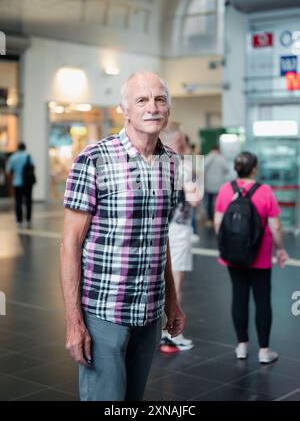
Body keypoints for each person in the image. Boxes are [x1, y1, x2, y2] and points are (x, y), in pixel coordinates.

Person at [60, 72, 186, 401]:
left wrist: (171, 300)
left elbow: (162, 237)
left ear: (168, 109)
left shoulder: (172, 163)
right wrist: (74, 321)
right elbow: (70, 244)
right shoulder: (93, 160)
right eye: (141, 100)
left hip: (149, 311)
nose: (152, 107)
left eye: (160, 99)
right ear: (124, 109)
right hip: (105, 310)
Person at [214, 151, 289, 364]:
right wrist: (280, 249)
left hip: (232, 255)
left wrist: (226, 247)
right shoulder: (265, 191)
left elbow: (218, 223)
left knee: (239, 297)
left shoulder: (225, 190)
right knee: (262, 300)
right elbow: (275, 227)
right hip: (260, 256)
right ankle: (264, 351)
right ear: (254, 169)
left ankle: (241, 346)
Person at [160, 125, 201, 351]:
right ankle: (172, 334)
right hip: (178, 229)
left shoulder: (156, 163)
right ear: (177, 141)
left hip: (160, 227)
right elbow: (194, 199)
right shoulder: (183, 165)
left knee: (161, 281)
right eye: (183, 139)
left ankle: (161, 332)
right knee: (176, 282)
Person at [6, 142, 35, 228]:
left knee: (18, 202)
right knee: (28, 201)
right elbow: (33, 168)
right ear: (25, 148)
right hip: (28, 183)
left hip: (17, 183)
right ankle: (28, 220)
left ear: (17, 148)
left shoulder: (13, 157)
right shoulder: (28, 156)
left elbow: (9, 171)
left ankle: (19, 220)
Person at [204, 144, 229, 225]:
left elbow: (202, 167)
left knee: (209, 202)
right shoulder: (221, 158)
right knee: (218, 202)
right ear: (218, 149)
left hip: (209, 183)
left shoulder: (207, 157)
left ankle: (209, 219)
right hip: (219, 184)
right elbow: (226, 169)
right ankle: (218, 218)